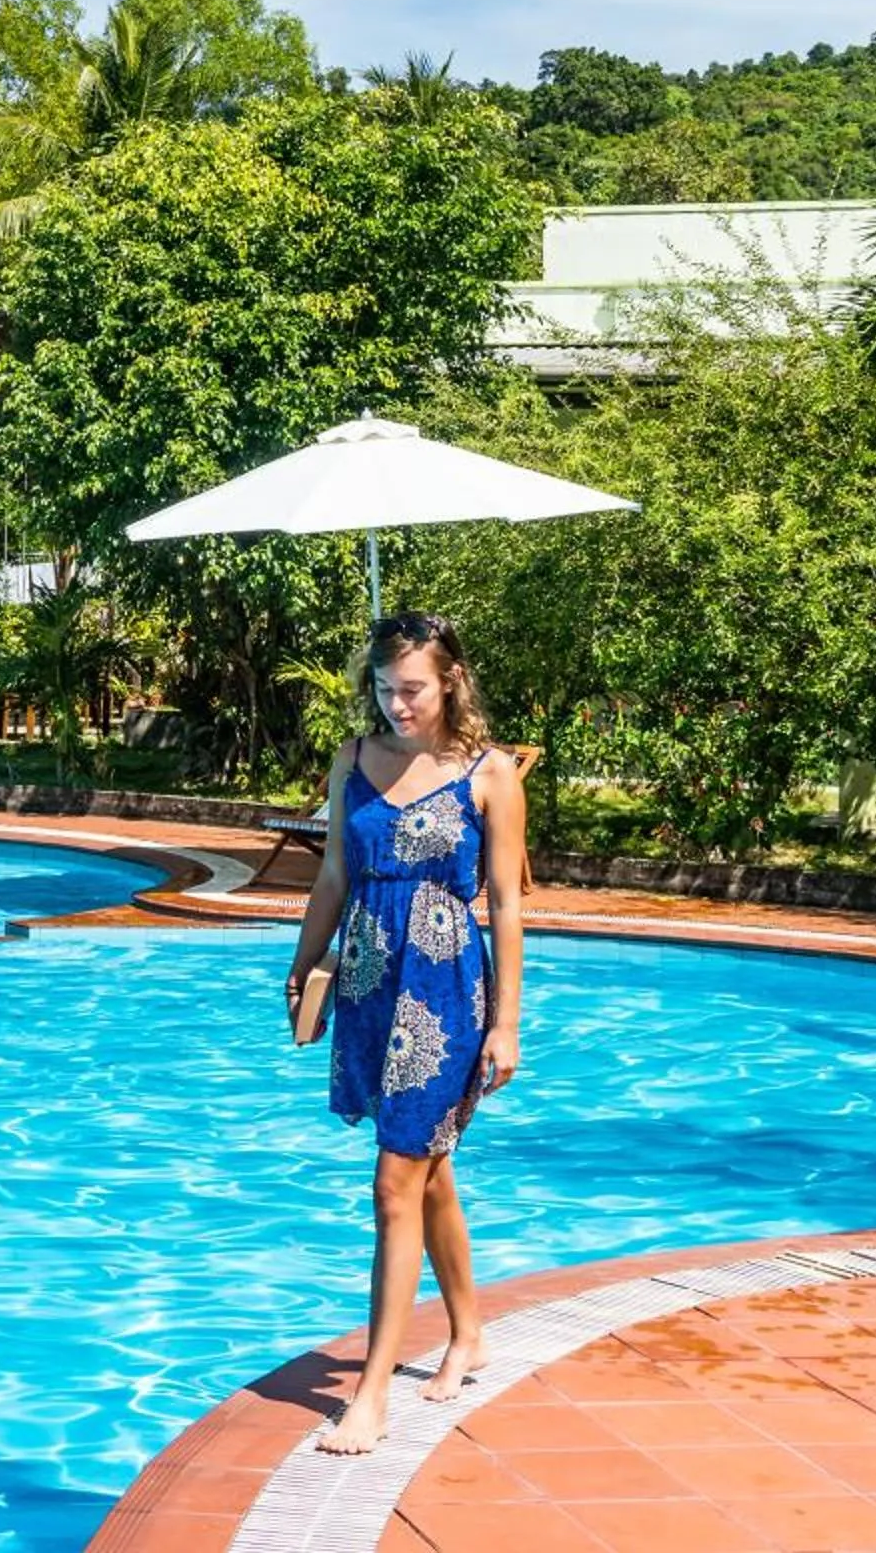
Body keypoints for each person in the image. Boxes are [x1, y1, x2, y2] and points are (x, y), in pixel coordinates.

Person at [285, 609, 526, 1455]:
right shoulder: (352, 759)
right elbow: (334, 874)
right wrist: (301, 966)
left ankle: (372, 1392)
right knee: (429, 1171)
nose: (399, 704)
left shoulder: (491, 774)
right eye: (387, 689)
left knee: (395, 1184)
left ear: (450, 680)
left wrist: (506, 1023)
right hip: (367, 982)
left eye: (414, 689)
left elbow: (507, 905)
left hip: (445, 989)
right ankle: (469, 1332)